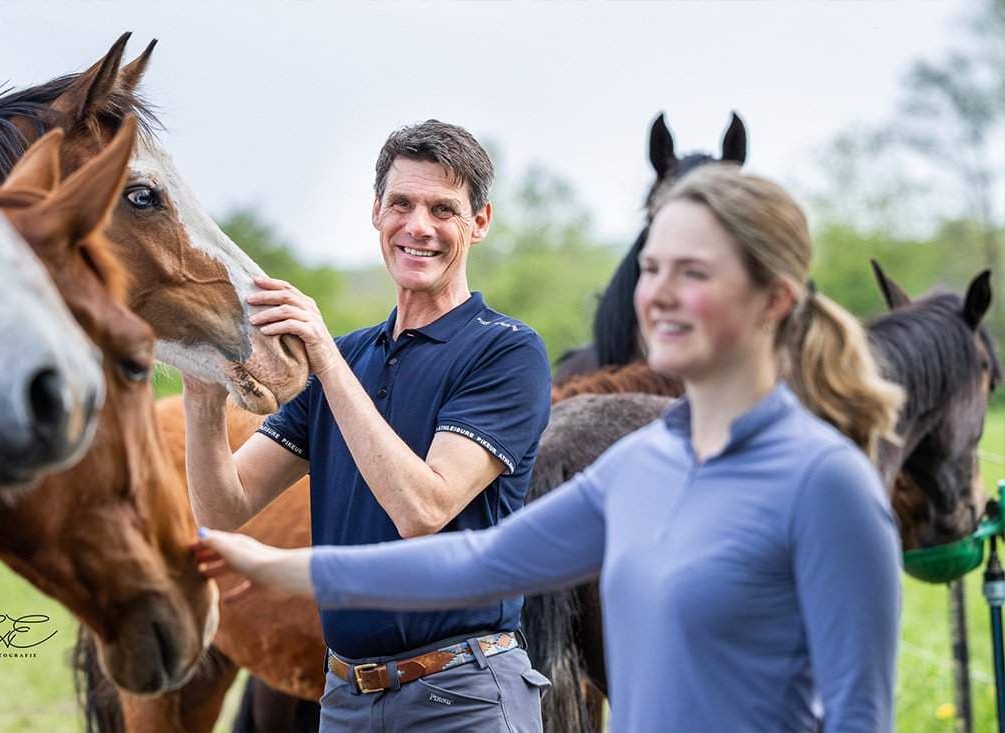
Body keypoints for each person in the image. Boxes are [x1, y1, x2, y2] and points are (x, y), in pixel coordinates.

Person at [193, 164, 907, 732]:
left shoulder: (827, 484)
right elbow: (477, 561)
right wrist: (272, 564)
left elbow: (858, 715)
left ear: (774, 299)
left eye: (692, 271)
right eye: (651, 268)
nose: (656, 293)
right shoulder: (641, 463)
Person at [183, 120, 553, 731]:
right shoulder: (350, 359)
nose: (418, 227)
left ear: (479, 223)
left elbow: (423, 508)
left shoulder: (507, 353)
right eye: (402, 204)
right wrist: (202, 387)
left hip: (464, 697)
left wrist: (324, 358)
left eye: (444, 209)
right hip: (347, 699)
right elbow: (224, 507)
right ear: (377, 211)